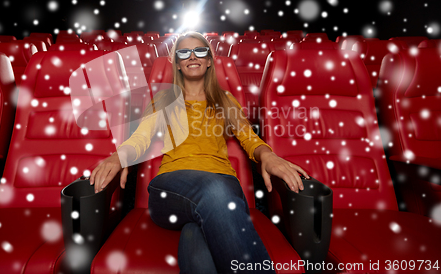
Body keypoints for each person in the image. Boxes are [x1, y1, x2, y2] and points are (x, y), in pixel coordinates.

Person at [90, 31, 309, 273]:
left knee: (196, 235)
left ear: (209, 61)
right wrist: (118, 156)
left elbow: (249, 138)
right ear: (178, 64)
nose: (192, 56)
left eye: (200, 51)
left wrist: (268, 155)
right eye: (184, 52)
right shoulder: (163, 100)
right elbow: (141, 138)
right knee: (214, 192)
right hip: (171, 189)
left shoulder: (226, 101)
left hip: (224, 189)